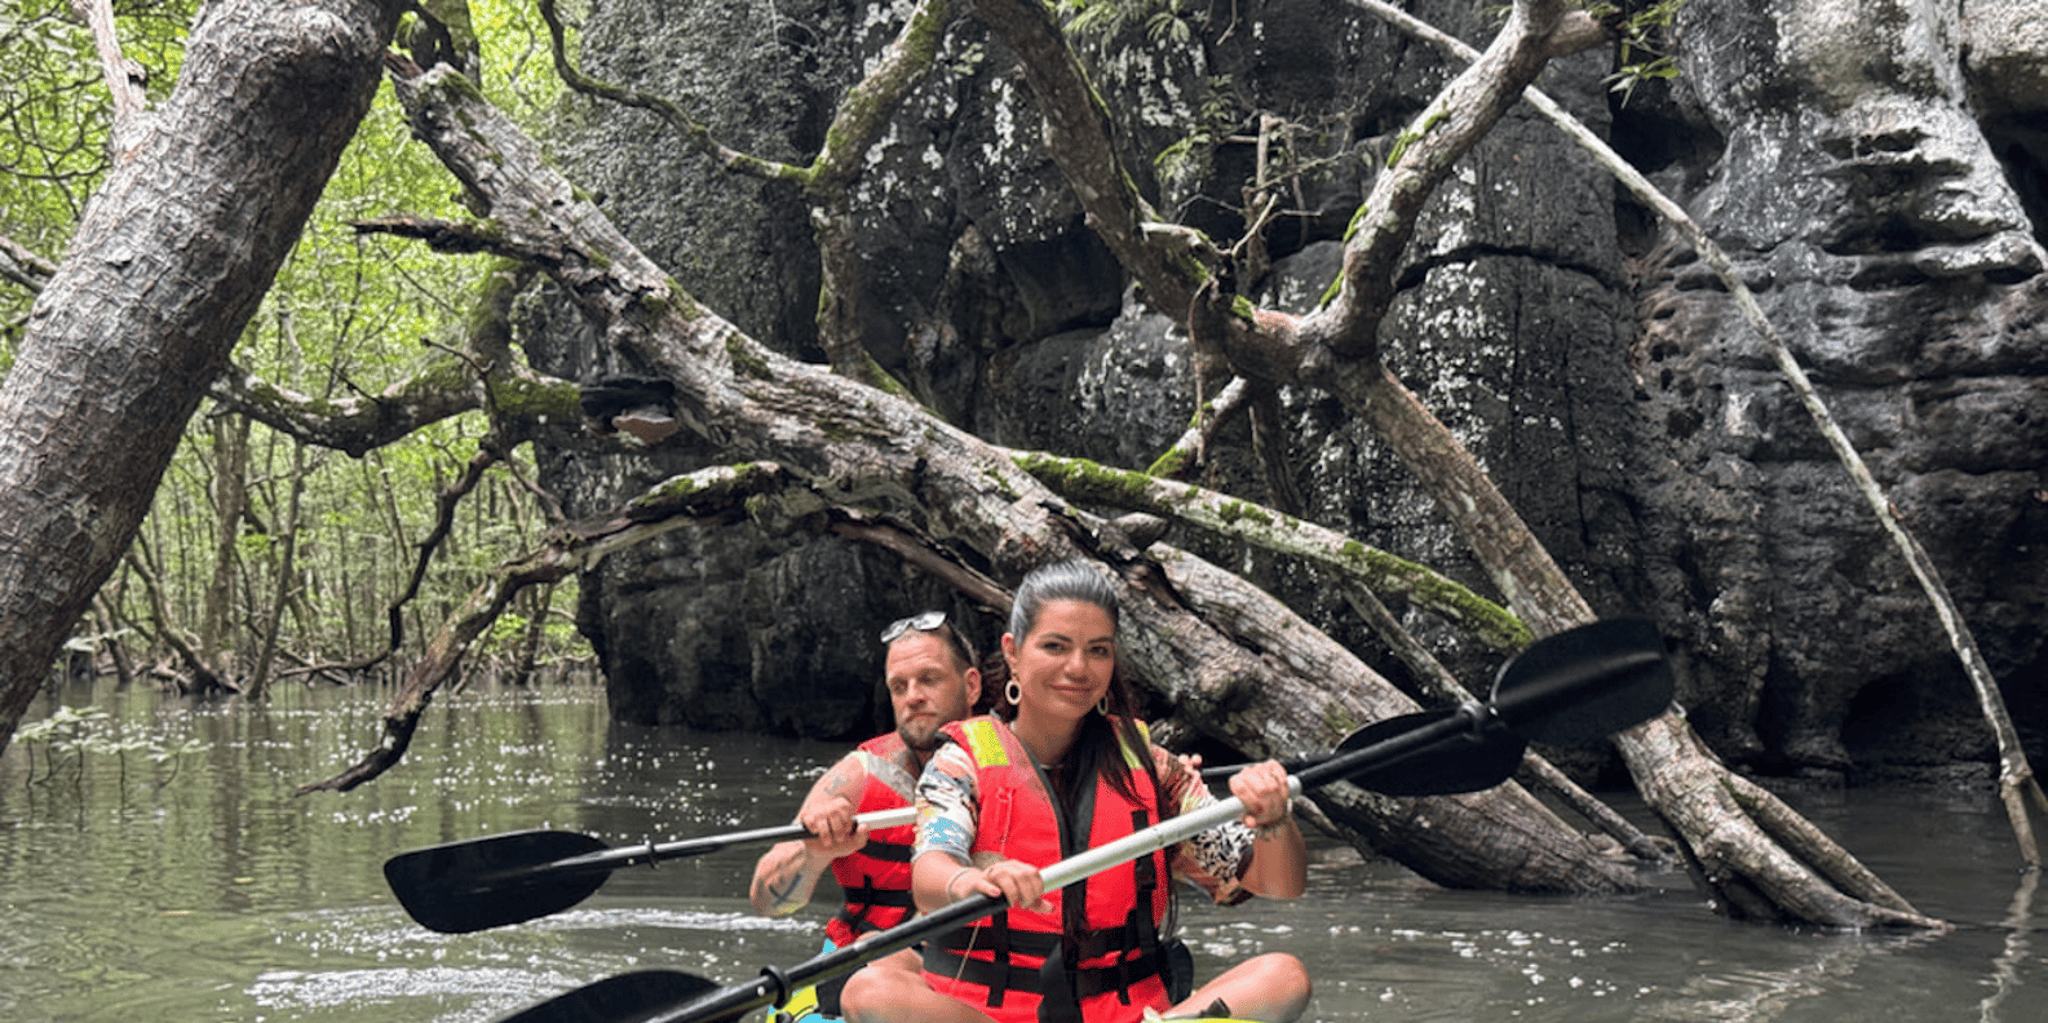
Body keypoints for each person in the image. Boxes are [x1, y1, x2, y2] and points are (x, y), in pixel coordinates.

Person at [841, 560, 1312, 1023]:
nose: (1078, 667)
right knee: (870, 990)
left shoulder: (1151, 767)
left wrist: (1274, 819)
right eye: (1055, 646)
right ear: (1013, 652)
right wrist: (965, 881)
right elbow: (931, 869)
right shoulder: (963, 759)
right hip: (993, 1016)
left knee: (1283, 976)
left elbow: (1277, 884)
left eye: (1098, 650)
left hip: (1130, 1014)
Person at [750, 610, 983, 1019]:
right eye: (899, 686)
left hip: (963, 978)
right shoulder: (857, 776)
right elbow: (768, 904)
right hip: (856, 970)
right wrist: (813, 854)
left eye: (929, 680)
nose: (913, 697)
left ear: (971, 685)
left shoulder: (1012, 765)